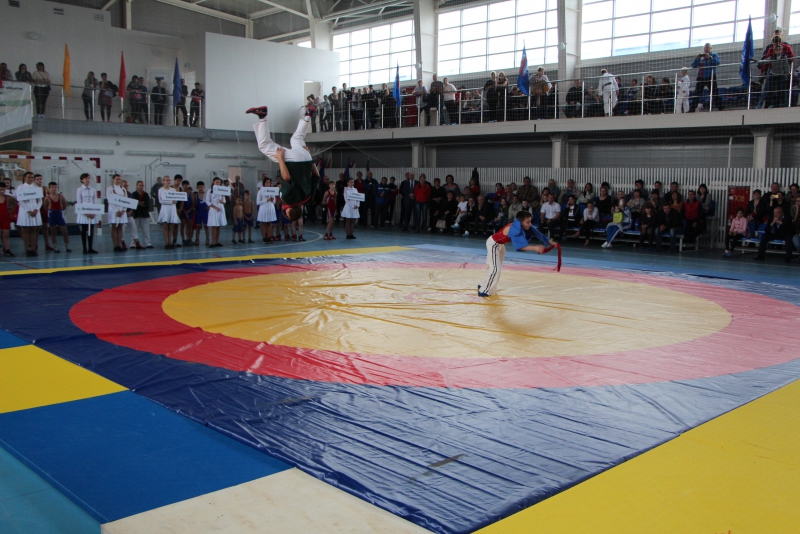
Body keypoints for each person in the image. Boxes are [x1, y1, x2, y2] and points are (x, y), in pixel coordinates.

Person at [248, 105, 318, 222]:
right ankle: (262, 117)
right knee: (264, 146)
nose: (285, 211)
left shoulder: (308, 198)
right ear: (290, 210)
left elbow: (317, 176)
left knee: (296, 138)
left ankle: (308, 115)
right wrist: (280, 158)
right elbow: (286, 178)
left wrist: (310, 158)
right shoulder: (288, 199)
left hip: (306, 159)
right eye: (287, 213)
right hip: (294, 161)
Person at [477, 211, 560, 297]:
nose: (529, 224)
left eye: (530, 222)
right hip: (493, 244)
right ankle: (484, 291)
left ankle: (483, 284)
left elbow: (539, 234)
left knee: (493, 267)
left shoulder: (523, 224)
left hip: (500, 245)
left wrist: (551, 242)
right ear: (521, 222)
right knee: (495, 269)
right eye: (527, 222)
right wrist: (535, 248)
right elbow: (520, 246)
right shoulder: (513, 229)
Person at [690, 43, 723, 112]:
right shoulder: (701, 57)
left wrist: (710, 58)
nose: (706, 49)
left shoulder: (714, 55)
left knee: (715, 93)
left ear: (711, 48)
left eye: (707, 47)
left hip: (710, 77)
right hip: (701, 77)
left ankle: (721, 108)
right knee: (697, 93)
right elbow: (693, 65)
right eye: (705, 47)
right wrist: (697, 59)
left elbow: (718, 62)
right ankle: (692, 109)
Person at [16, 172, 42, 256]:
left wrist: (36, 209)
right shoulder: (20, 187)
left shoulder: (37, 187)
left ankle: (33, 249)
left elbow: (40, 200)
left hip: (35, 209)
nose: (30, 179)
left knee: (34, 230)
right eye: (28, 177)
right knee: (26, 230)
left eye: (32, 177)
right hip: (24, 210)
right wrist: (28, 210)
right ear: (24, 178)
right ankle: (27, 249)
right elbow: (20, 200)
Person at [43, 182, 71, 253]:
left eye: (55, 187)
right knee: (53, 232)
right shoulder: (47, 198)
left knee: (64, 231)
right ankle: (55, 247)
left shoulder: (61, 196)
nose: (54, 189)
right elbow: (45, 207)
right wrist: (51, 211)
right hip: (52, 215)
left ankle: (67, 246)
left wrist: (60, 211)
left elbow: (64, 205)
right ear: (49, 188)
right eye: (52, 187)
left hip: (59, 215)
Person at [75, 173, 99, 254]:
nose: (88, 180)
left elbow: (95, 201)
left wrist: (94, 212)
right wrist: (85, 213)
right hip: (84, 212)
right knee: (84, 230)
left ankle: (90, 248)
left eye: (89, 178)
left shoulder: (93, 189)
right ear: (82, 180)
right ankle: (84, 248)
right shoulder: (79, 190)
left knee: (91, 231)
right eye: (85, 178)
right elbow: (79, 202)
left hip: (92, 212)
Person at [106, 174, 128, 252]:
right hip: (113, 209)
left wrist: (123, 210)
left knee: (120, 227)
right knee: (114, 227)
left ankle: (119, 245)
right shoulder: (109, 188)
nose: (118, 181)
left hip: (121, 210)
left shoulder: (123, 189)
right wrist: (116, 210)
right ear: (113, 179)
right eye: (117, 179)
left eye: (119, 179)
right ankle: (115, 245)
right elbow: (110, 200)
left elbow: (126, 201)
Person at [206, 177, 227, 247]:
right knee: (214, 226)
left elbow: (224, 201)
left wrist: (222, 202)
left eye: (219, 182)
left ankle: (217, 241)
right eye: (216, 182)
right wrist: (215, 207)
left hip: (220, 208)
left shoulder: (222, 191)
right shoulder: (210, 191)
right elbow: (207, 201)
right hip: (213, 208)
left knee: (218, 226)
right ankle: (213, 242)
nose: (218, 183)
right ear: (213, 182)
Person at [131, 180, 153, 249]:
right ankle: (133, 244)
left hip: (144, 214)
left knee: (146, 230)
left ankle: (147, 243)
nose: (141, 186)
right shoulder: (133, 194)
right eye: (140, 185)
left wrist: (138, 203)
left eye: (142, 185)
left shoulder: (146, 194)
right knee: (134, 230)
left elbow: (147, 204)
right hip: (136, 214)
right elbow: (132, 204)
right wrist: (139, 203)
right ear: (137, 186)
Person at [193, 181, 210, 246]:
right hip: (198, 212)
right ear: (197, 188)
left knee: (206, 226)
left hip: (206, 212)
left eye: (202, 187)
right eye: (199, 187)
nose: (201, 188)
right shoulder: (195, 195)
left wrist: (209, 207)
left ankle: (207, 239)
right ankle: (197, 239)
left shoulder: (207, 194)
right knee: (198, 226)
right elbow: (194, 203)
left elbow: (210, 202)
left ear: (204, 187)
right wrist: (194, 208)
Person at [0, 183, 12, 257]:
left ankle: (7, 249)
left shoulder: (8, 198)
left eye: (3, 190)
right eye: (0, 190)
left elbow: (14, 204)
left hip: (5, 218)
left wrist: (10, 211)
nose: (1, 191)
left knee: (6, 235)